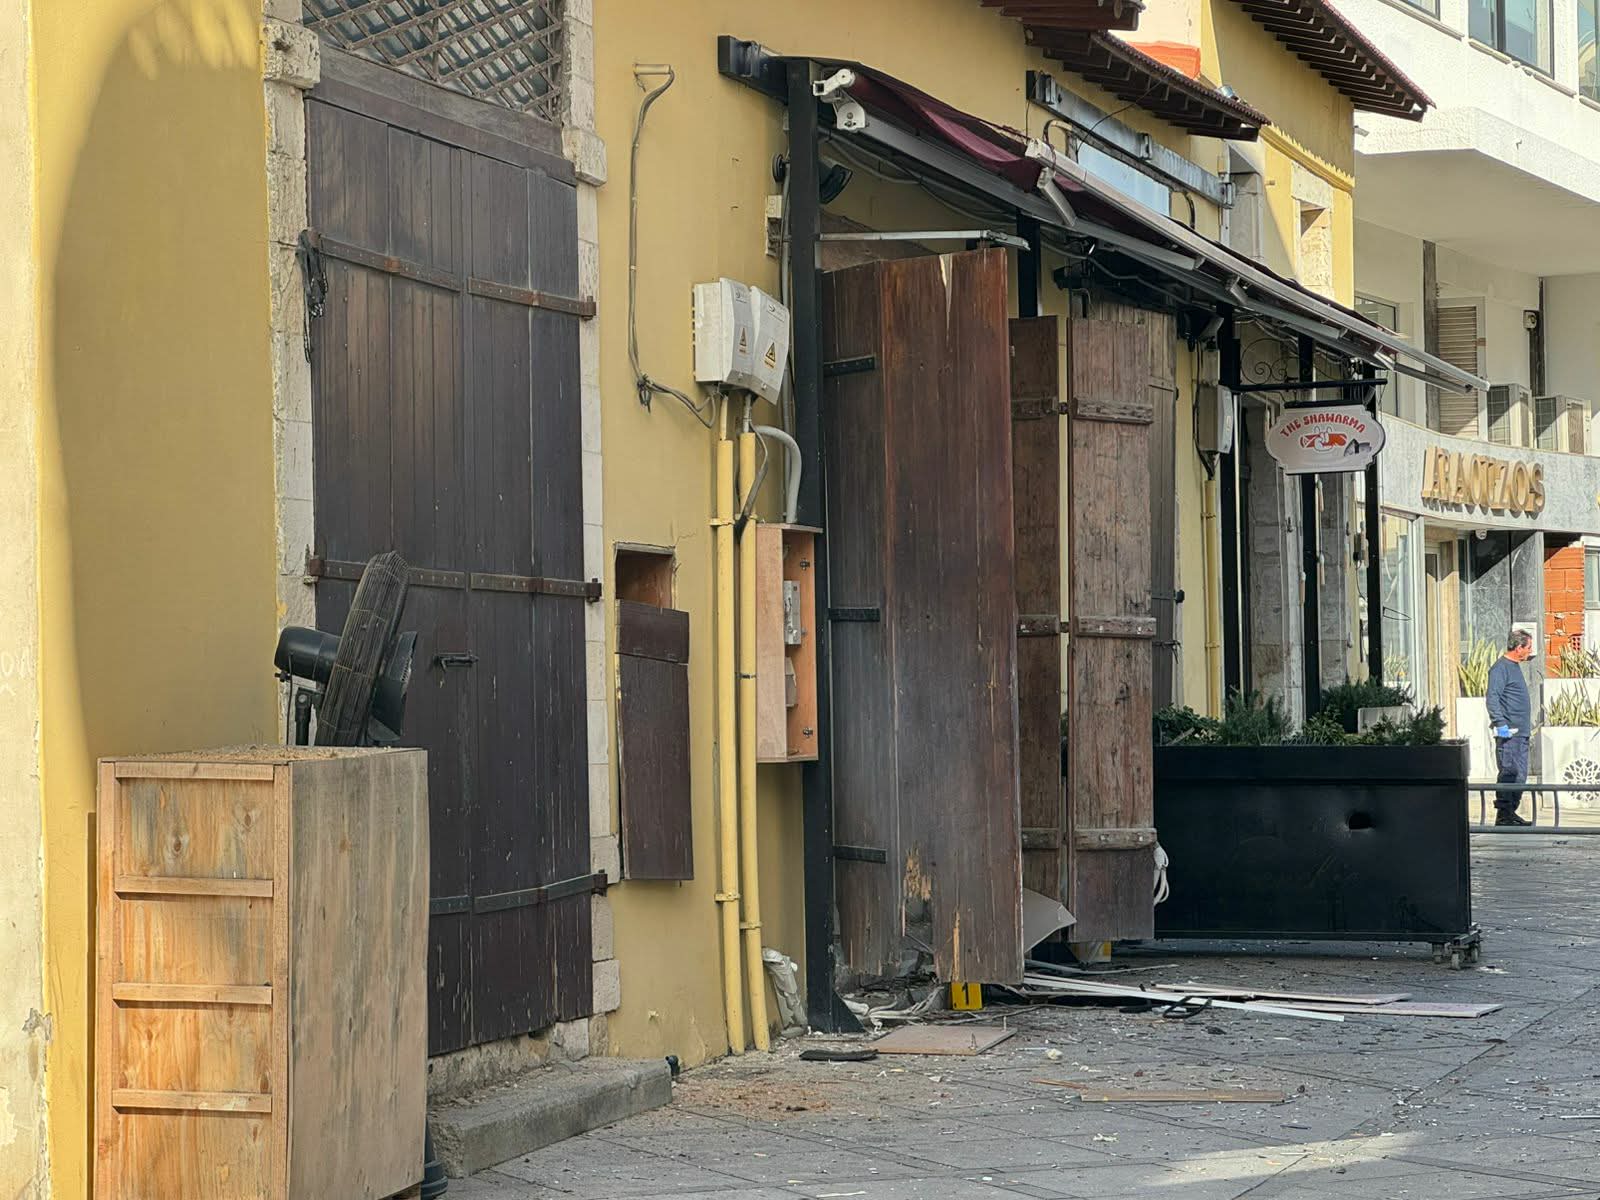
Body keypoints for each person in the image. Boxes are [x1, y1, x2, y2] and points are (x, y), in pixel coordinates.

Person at [1486, 630, 1536, 826]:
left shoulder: (1515, 667)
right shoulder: (1500, 669)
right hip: (1509, 734)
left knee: (1520, 775)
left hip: (1521, 733)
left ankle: (1511, 812)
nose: (1530, 651)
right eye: (1528, 647)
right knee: (1509, 772)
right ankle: (1504, 814)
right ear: (1518, 648)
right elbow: (1492, 698)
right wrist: (1500, 724)